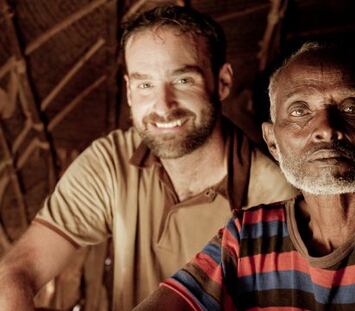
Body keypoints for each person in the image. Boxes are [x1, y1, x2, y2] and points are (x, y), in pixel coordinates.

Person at [0, 5, 295, 311]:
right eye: (145, 85)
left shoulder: (275, 199)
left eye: (183, 81)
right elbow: (16, 271)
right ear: (129, 92)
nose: (163, 106)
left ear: (221, 82)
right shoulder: (112, 160)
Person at [134, 42, 355, 310]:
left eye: (351, 107)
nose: (326, 128)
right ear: (272, 142)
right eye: (300, 111)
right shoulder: (247, 233)